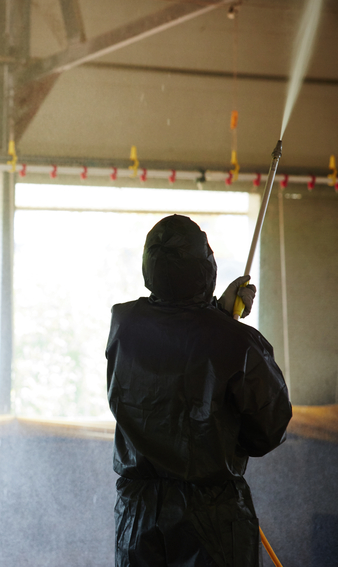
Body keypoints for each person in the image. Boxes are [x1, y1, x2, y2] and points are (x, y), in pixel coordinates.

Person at [105, 214, 292, 567]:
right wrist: (218, 318)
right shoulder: (239, 343)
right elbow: (269, 431)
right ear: (206, 267)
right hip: (211, 519)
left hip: (137, 514)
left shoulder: (124, 325)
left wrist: (215, 312)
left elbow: (175, 339)